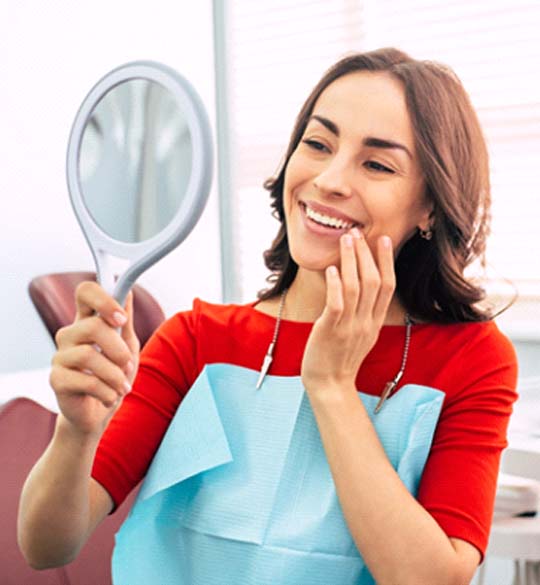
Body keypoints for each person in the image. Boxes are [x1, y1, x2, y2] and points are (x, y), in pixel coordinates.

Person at [18, 47, 517, 585]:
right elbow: (47, 545)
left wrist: (330, 386)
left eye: (376, 163)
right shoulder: (196, 340)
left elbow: (429, 579)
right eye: (318, 144)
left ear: (430, 207)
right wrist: (75, 431)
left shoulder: (472, 360)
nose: (329, 179)